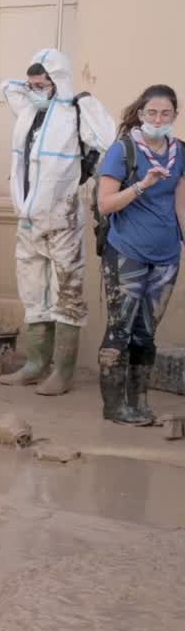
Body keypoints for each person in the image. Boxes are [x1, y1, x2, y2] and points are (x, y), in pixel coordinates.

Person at [0, 49, 115, 394]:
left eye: (42, 84)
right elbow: (12, 89)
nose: (35, 90)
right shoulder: (30, 113)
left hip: (63, 217)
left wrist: (75, 102)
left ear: (57, 82)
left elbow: (108, 140)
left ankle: (62, 372)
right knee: (32, 289)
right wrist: (34, 89)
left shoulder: (76, 110)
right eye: (32, 85)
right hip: (28, 219)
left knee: (68, 292)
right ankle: (35, 364)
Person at [95, 85, 184, 425]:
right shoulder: (124, 151)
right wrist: (142, 184)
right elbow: (106, 204)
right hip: (127, 252)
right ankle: (114, 407)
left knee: (147, 333)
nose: (158, 119)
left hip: (165, 257)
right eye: (152, 113)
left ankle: (139, 402)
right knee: (121, 329)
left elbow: (180, 204)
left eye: (165, 113)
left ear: (174, 116)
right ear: (141, 113)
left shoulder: (180, 152)